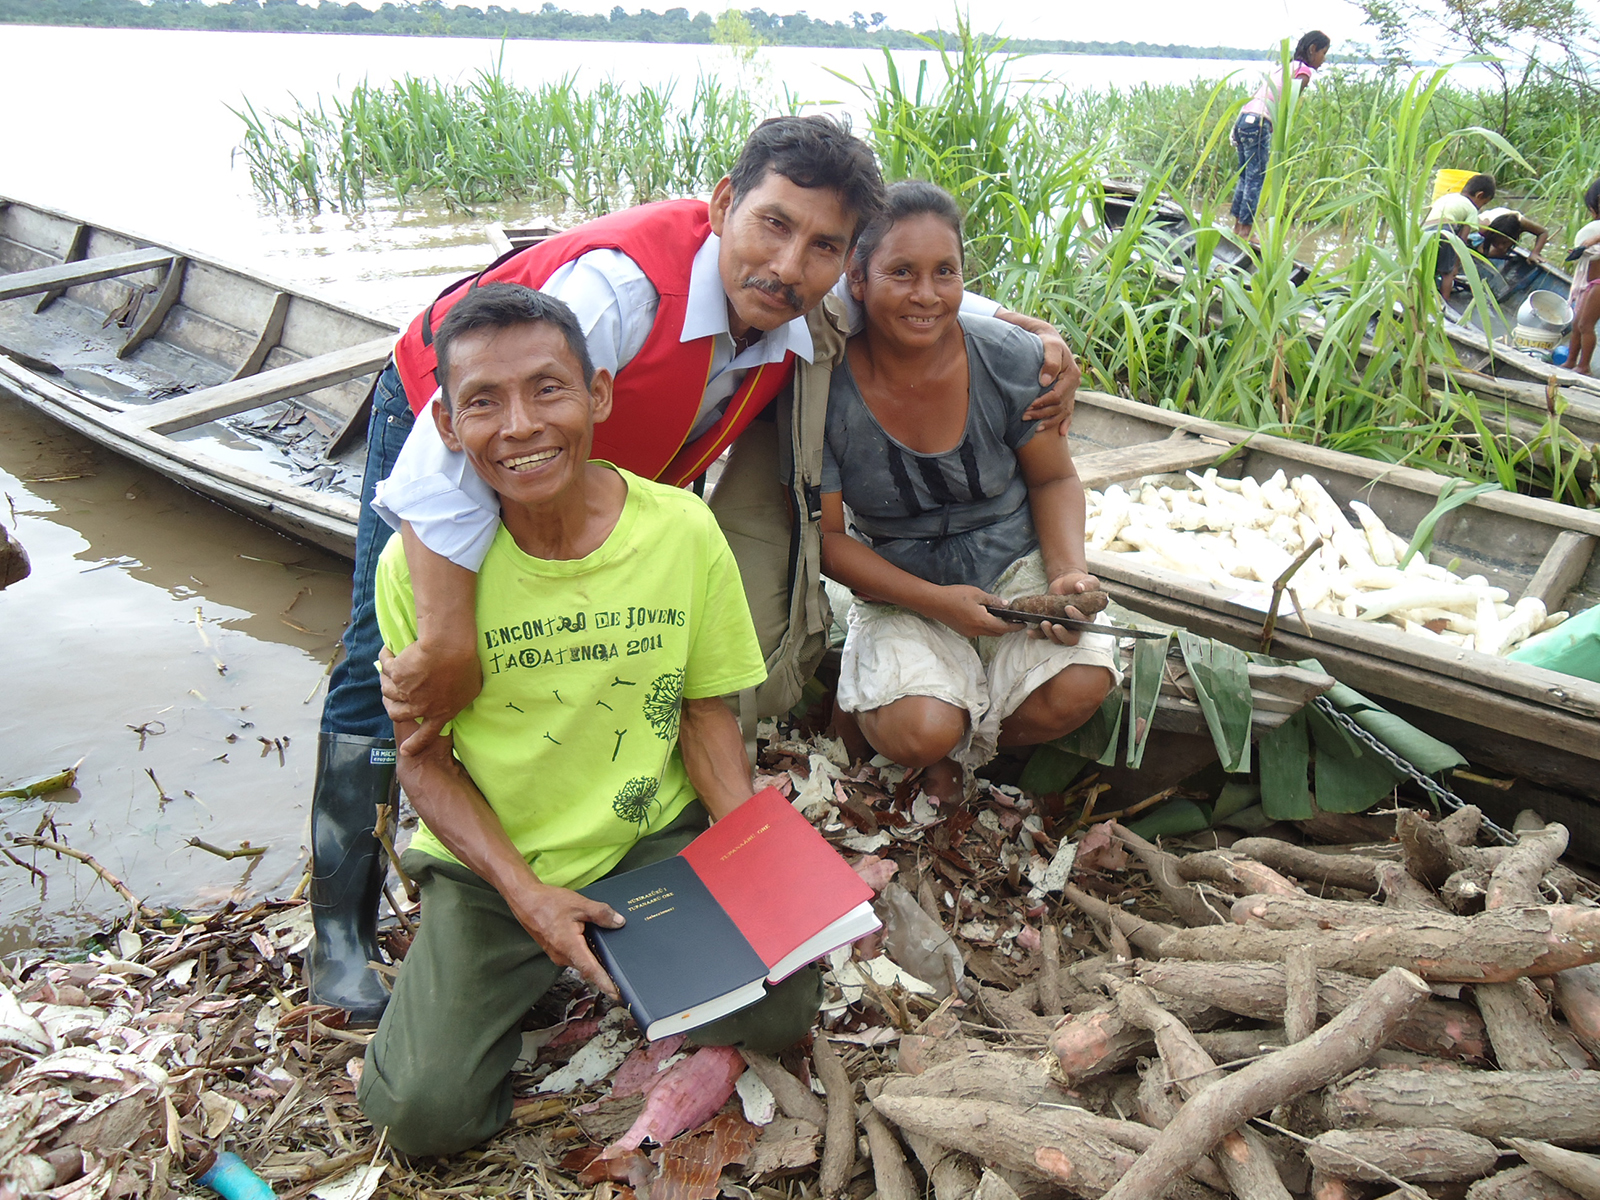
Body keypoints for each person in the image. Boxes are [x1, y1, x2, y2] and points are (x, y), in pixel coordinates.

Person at [307, 114, 1083, 1023]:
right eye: (773, 225)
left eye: (822, 246)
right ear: (722, 206)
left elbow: (900, 294)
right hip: (459, 414)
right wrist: (447, 637)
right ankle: (339, 936)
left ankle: (596, 824)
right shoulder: (619, 294)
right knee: (390, 664)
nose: (790, 266)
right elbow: (438, 481)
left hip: (600, 453)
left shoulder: (796, 290)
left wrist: (1032, 332)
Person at [357, 284, 820, 1156]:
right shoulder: (416, 574)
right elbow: (423, 765)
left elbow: (703, 713)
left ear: (598, 395)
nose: (522, 426)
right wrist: (529, 899)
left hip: (647, 840)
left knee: (790, 1005)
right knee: (416, 1117)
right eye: (483, 403)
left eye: (548, 389)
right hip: (499, 867)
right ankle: (528, 964)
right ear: (448, 431)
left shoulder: (679, 530)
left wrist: (763, 861)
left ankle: (619, 964)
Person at [819, 182, 1120, 804]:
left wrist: (1066, 575)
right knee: (920, 726)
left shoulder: (1008, 357)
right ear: (857, 278)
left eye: (944, 272)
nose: (926, 295)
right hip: (900, 585)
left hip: (1016, 569)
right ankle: (922, 730)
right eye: (901, 272)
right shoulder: (826, 386)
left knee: (1084, 682)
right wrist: (937, 603)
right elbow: (828, 539)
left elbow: (1055, 478)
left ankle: (961, 749)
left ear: (964, 277)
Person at [1231, 31, 1331, 243]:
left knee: (1246, 176)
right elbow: (1288, 105)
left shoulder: (1286, 67)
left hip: (1245, 119)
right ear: (1313, 49)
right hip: (1259, 121)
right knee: (1256, 177)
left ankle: (1238, 227)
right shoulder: (1303, 71)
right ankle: (1247, 231)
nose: (1324, 59)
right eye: (1324, 52)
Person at [1424, 172, 1496, 301]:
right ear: (1479, 195)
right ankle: (1444, 305)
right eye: (1483, 203)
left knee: (1428, 267)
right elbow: (1461, 240)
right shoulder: (1471, 208)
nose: (1481, 207)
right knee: (1448, 273)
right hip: (1445, 232)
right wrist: (1456, 265)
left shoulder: (1448, 197)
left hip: (1426, 232)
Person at [1562, 178, 1600, 374]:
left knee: (1586, 324)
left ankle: (1584, 366)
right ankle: (1571, 361)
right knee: (1576, 322)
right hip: (1591, 282)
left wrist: (1593, 240)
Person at [1476, 206, 1550, 261]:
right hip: (1489, 224)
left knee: (1499, 252)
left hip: (1510, 221)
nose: (1500, 246)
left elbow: (1543, 232)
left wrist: (1535, 253)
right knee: (1482, 252)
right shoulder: (1483, 228)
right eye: (1496, 242)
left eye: (1504, 243)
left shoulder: (1522, 223)